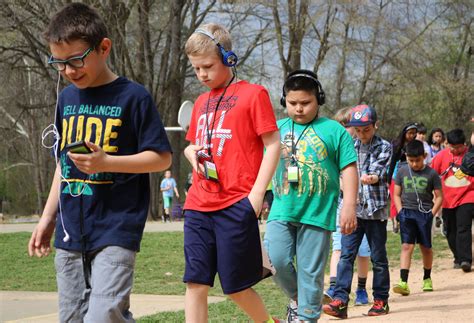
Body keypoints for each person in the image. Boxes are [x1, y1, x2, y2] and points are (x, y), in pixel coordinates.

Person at [27, 3, 172, 322]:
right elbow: (62, 164)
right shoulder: (66, 99)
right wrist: (48, 217)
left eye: (76, 60)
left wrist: (109, 161)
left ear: (103, 47)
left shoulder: (133, 97)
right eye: (59, 63)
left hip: (116, 227)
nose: (69, 71)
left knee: (103, 314)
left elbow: (161, 157)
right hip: (70, 233)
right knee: (73, 318)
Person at [182, 23, 281, 322]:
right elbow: (192, 146)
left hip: (236, 203)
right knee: (195, 282)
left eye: (208, 66)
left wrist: (255, 196)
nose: (202, 74)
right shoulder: (200, 102)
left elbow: (273, 144)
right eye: (196, 69)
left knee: (235, 287)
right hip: (198, 204)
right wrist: (191, 154)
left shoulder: (254, 94)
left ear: (229, 58)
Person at [263, 70, 358, 322]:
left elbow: (349, 168)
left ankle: (306, 316)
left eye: (305, 103)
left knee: (310, 272)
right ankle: (301, 298)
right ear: (284, 101)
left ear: (319, 99)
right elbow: (259, 164)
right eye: (292, 103)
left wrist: (349, 204)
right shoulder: (275, 129)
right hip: (282, 209)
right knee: (275, 260)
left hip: (317, 213)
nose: (299, 109)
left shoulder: (334, 131)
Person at [323, 105, 392, 319]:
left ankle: (381, 300)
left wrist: (371, 177)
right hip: (353, 211)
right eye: (359, 130)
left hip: (375, 212)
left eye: (367, 129)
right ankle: (340, 301)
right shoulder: (349, 146)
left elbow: (379, 170)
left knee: (378, 257)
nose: (362, 134)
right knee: (346, 255)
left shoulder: (385, 146)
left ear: (375, 125)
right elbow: (341, 171)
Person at [324, 107, 371, 307]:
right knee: (338, 246)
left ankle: (361, 288)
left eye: (347, 126)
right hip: (341, 204)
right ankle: (334, 286)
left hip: (366, 206)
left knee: (363, 251)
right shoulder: (335, 148)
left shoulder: (366, 147)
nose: (344, 130)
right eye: (340, 126)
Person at [392, 140, 443, 295]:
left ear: (425, 156)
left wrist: (431, 214)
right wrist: (400, 211)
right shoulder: (401, 171)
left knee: (426, 248)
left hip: (425, 215)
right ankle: (403, 282)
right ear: (406, 157)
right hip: (407, 213)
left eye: (418, 160)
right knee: (407, 246)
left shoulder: (432, 174)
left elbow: (439, 197)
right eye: (411, 160)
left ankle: (427, 278)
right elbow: (396, 194)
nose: (414, 164)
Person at [431, 129, 474, 272]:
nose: (455, 150)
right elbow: (431, 173)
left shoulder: (470, 155)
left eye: (459, 147)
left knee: (463, 227)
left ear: (465, 144)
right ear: (447, 144)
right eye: (452, 147)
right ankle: (458, 256)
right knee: (450, 230)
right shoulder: (441, 156)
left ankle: (466, 260)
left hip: (468, 195)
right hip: (447, 199)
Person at [388, 122, 418, 233]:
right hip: (397, 175)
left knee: (406, 198)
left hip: (411, 175)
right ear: (404, 133)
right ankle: (395, 222)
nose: (412, 135)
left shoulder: (415, 144)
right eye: (410, 133)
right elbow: (392, 163)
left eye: (414, 133)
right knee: (395, 199)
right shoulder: (397, 145)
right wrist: (388, 178)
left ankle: (404, 219)